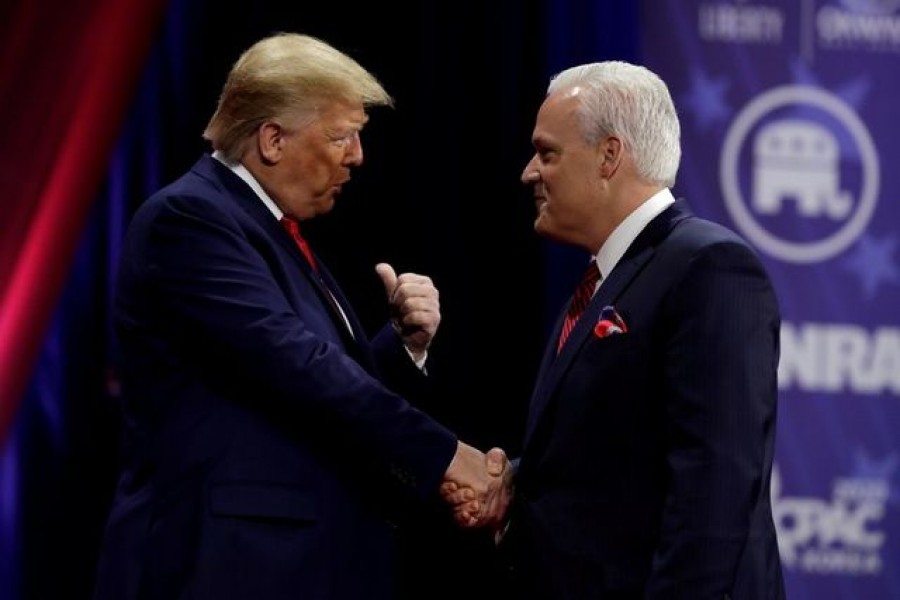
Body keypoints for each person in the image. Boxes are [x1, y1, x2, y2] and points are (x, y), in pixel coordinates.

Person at [92, 32, 508, 600]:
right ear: (271, 139)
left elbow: (295, 379)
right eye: (342, 136)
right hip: (220, 568)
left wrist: (400, 344)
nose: (358, 157)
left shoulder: (271, 230)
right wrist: (449, 457)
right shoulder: (190, 220)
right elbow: (301, 367)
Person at [448, 60, 786, 599]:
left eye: (547, 152)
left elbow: (714, 491)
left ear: (609, 155)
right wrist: (513, 480)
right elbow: (612, 454)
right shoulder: (605, 279)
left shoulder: (709, 267)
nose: (529, 172)